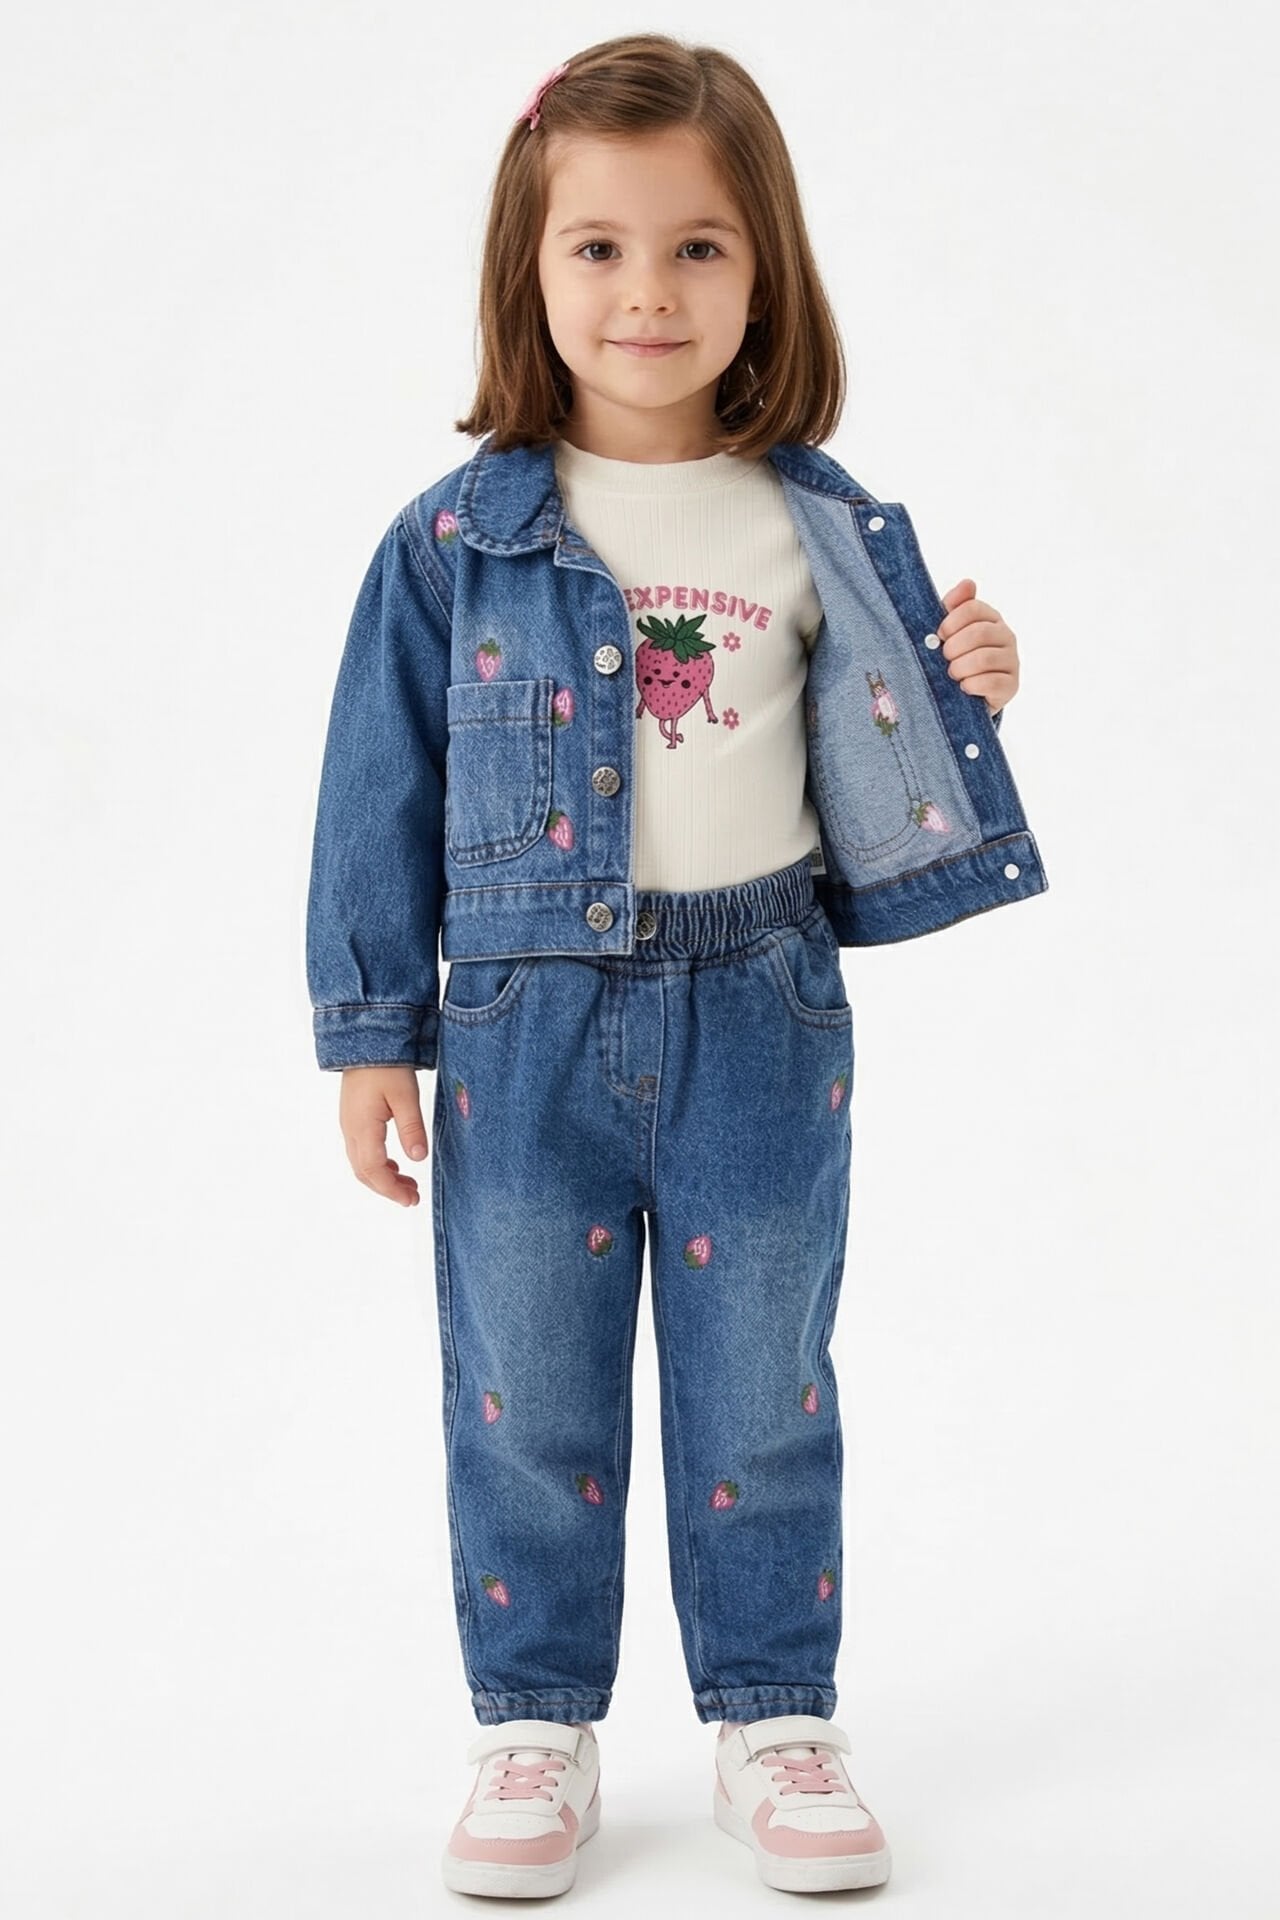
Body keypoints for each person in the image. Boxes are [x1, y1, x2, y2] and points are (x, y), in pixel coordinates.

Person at [305, 32, 1047, 1900]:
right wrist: (371, 1035)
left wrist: (970, 688)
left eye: (699, 247)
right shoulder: (455, 544)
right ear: (530, 270)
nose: (649, 292)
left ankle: (774, 1716)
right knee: (524, 1388)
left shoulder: (816, 522)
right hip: (523, 1025)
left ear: (765, 270)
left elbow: (888, 734)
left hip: (760, 1012)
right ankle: (533, 1723)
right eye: (601, 248)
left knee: (764, 1383)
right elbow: (377, 793)